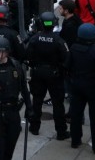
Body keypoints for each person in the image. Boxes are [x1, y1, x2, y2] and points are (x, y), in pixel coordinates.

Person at [66, 23, 95, 154]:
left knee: (75, 114)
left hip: (76, 86)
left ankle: (75, 140)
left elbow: (67, 66)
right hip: (93, 87)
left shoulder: (73, 48)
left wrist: (72, 81)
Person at [24, 12, 70, 140]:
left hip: (38, 73)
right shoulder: (59, 40)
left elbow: (27, 54)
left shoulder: (34, 38)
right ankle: (61, 131)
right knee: (58, 104)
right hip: (54, 74)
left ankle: (34, 127)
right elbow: (66, 58)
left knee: (37, 101)